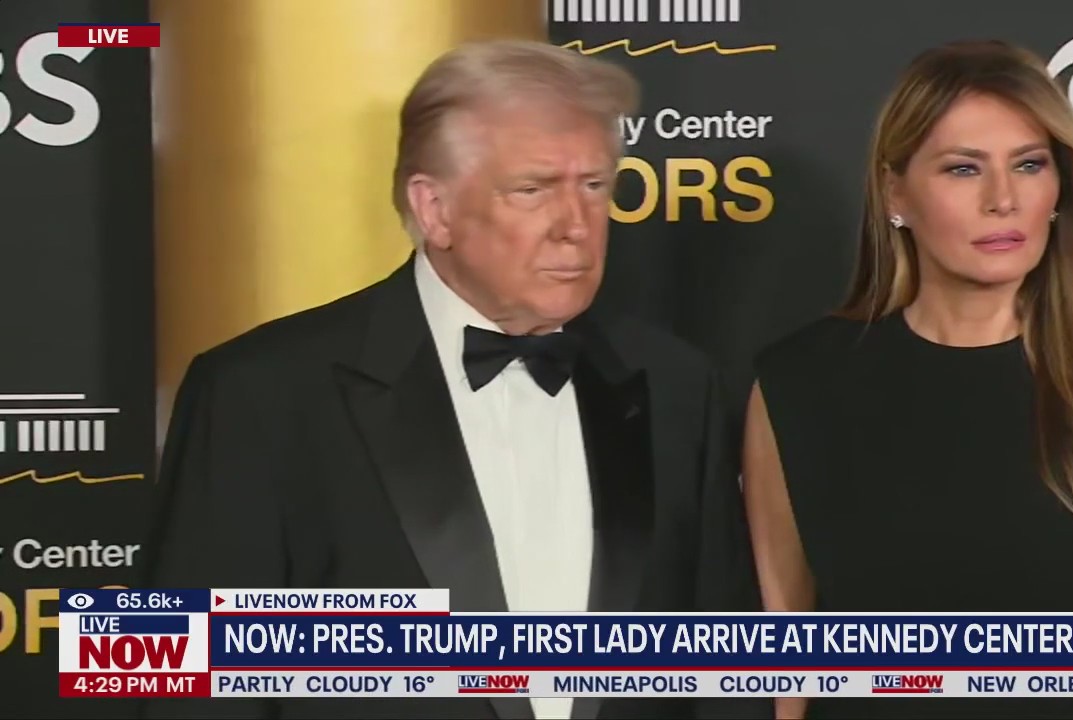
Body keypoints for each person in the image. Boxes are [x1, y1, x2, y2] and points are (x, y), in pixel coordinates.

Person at [142, 39, 764, 720]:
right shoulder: (260, 395)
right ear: (434, 208)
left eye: (593, 187)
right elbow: (190, 690)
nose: (576, 228)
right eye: (532, 190)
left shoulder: (676, 385)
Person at [743, 40, 1073, 720]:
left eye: (1029, 164)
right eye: (963, 168)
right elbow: (783, 672)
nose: (1003, 199)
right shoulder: (799, 383)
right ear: (895, 193)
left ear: (1060, 186)